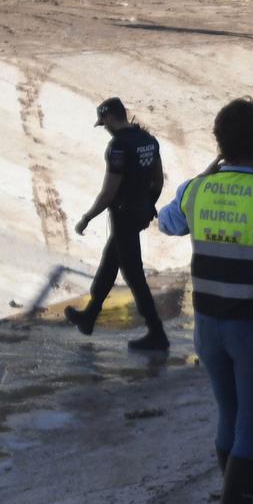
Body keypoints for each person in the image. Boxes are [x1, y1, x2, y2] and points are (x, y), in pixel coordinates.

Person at [157, 99, 253, 504]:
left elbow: (168, 220)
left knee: (228, 416)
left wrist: (204, 173)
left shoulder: (197, 192)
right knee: (252, 425)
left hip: (209, 327)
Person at [69, 97, 170, 352]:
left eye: (104, 123)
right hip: (139, 213)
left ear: (110, 117)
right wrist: (148, 206)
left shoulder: (118, 147)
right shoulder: (148, 140)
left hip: (124, 215)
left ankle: (157, 332)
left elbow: (108, 193)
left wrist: (87, 218)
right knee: (110, 261)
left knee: (134, 274)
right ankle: (89, 316)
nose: (104, 128)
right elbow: (158, 181)